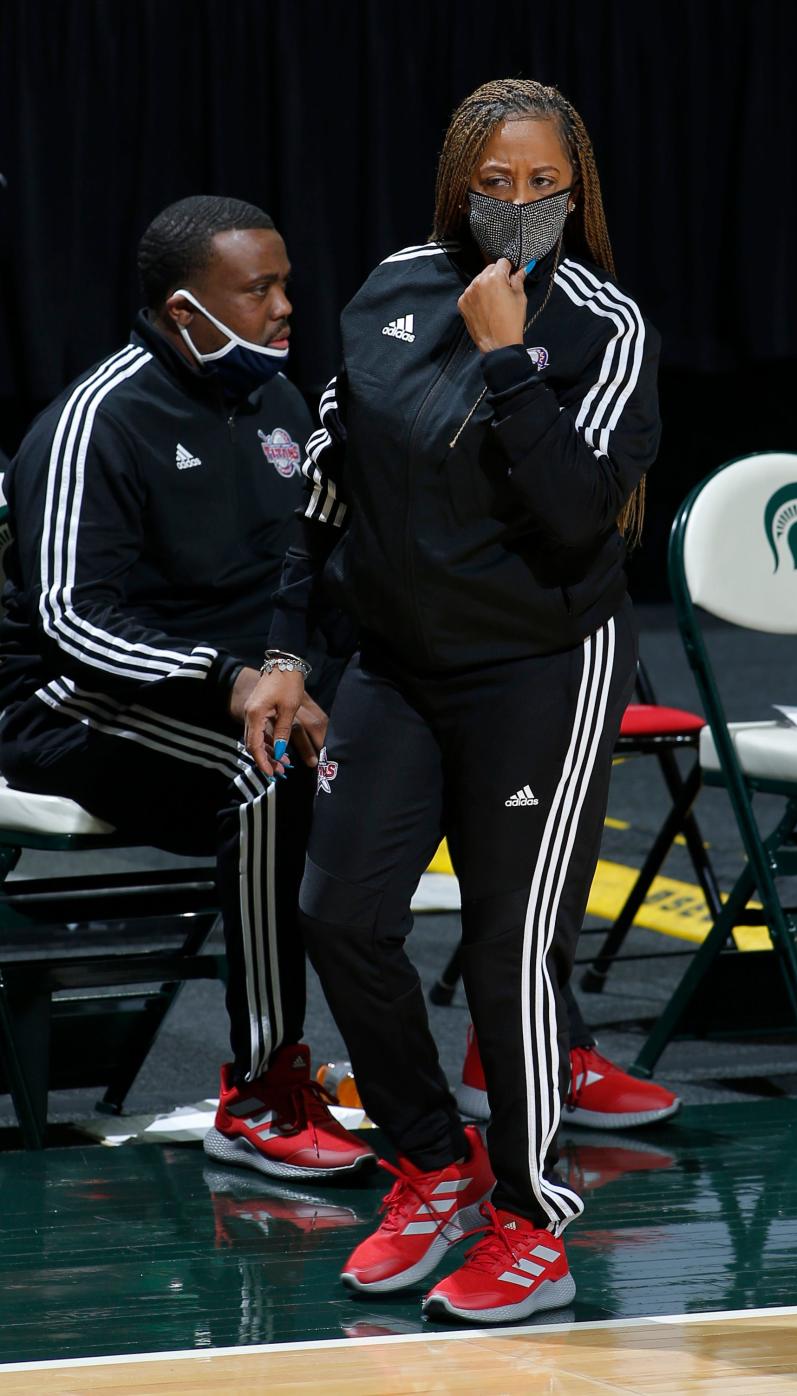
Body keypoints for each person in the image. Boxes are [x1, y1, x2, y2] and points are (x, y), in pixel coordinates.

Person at [246, 77, 664, 1323]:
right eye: (498, 184)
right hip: (395, 658)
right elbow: (331, 490)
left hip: (541, 663)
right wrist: (283, 648)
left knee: (508, 951)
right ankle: (434, 1165)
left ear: (576, 191)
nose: (521, 206)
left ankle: (535, 1223)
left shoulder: (602, 322)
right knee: (341, 912)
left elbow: (584, 513)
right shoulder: (386, 290)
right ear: (458, 183)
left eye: (546, 186)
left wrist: (505, 360)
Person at [0, 195, 372, 1182]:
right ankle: (259, 1092)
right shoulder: (96, 421)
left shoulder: (281, 405)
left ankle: (494, 1056)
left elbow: (308, 579)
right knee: (264, 771)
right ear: (183, 309)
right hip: (66, 700)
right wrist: (233, 678)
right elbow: (71, 623)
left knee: (441, 737)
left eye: (286, 282)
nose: (288, 306)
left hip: (240, 687)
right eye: (259, 290)